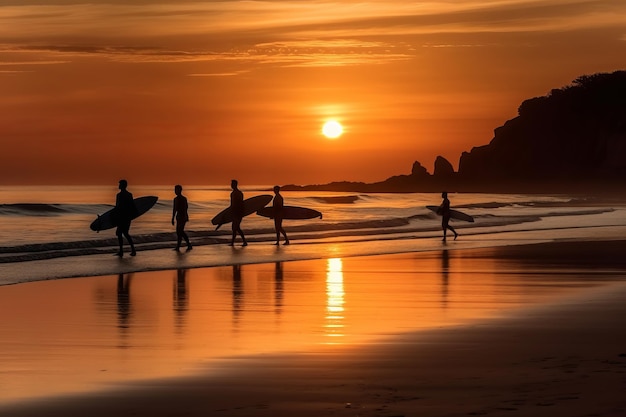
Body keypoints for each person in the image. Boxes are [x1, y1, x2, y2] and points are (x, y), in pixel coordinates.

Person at [115, 179, 137, 257]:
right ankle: (131, 250)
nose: (119, 185)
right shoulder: (129, 195)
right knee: (123, 233)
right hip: (126, 217)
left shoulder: (120, 195)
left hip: (123, 217)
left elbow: (117, 207)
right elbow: (133, 206)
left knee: (121, 233)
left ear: (123, 185)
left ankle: (123, 251)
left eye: (120, 184)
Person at [171, 184, 192, 252]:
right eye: (175, 190)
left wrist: (173, 218)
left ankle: (186, 244)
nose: (175, 191)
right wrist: (173, 218)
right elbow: (175, 209)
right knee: (179, 232)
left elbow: (181, 208)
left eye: (176, 190)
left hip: (182, 217)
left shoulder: (181, 199)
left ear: (180, 190)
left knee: (180, 231)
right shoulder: (178, 199)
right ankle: (184, 245)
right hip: (180, 217)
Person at [229, 179, 247, 246]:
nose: (231, 185)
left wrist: (241, 213)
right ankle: (234, 242)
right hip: (234, 213)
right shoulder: (233, 193)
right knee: (235, 228)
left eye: (232, 184)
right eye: (231, 184)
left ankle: (244, 241)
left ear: (235, 185)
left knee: (236, 227)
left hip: (238, 213)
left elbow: (241, 204)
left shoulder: (239, 193)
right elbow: (231, 204)